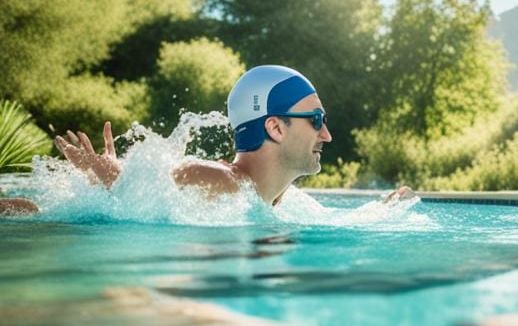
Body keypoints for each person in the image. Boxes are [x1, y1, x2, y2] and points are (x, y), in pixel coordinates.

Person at [0, 65, 412, 215]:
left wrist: (376, 213)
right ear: (274, 127)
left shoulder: (277, 201)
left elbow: (331, 223)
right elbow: (152, 187)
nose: (327, 133)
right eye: (316, 119)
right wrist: (116, 178)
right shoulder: (221, 180)